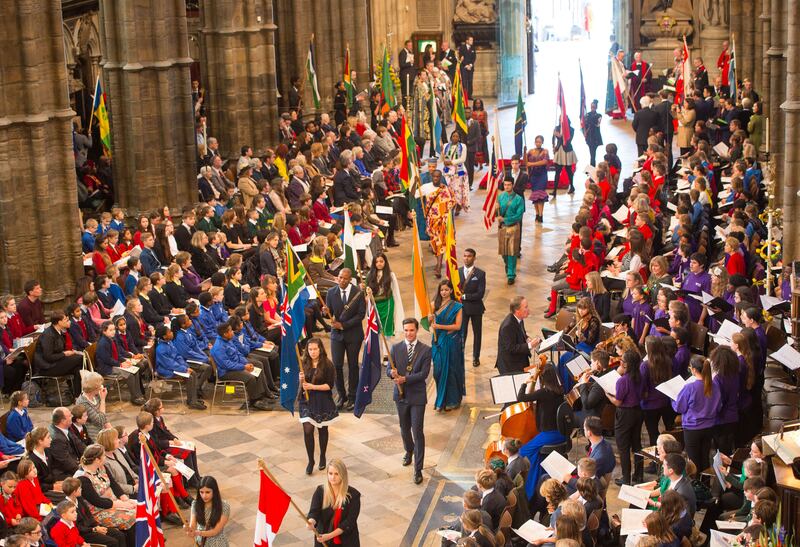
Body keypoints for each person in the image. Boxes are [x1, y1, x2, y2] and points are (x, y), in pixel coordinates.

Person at [388, 318, 432, 485]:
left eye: (411, 330)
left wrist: (404, 379)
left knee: (417, 431)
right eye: (406, 330)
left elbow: (423, 374)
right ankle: (409, 450)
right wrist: (391, 373)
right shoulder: (395, 348)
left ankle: (418, 469)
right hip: (400, 396)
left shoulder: (425, 350)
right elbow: (388, 369)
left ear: (417, 330)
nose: (409, 333)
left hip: (417, 396)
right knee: (404, 429)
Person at [517, 363, 566, 500]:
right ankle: (540, 475)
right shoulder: (560, 390)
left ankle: (530, 488)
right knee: (536, 454)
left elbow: (521, 398)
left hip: (548, 435)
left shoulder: (544, 393)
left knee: (524, 452)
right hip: (561, 433)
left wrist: (525, 383)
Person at [324, 269, 365, 411]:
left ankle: (353, 396)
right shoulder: (331, 292)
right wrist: (325, 311)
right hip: (337, 336)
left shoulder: (358, 293)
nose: (341, 280)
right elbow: (329, 312)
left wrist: (343, 325)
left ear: (350, 279)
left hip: (353, 334)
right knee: (337, 366)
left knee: (353, 365)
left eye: (345, 278)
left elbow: (361, 315)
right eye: (340, 277)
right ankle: (342, 395)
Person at [672, 356, 721, 474]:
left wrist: (673, 400)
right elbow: (719, 406)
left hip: (692, 429)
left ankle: (696, 487)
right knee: (705, 458)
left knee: (693, 461)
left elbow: (680, 408)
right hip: (709, 427)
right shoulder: (714, 386)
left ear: (693, 370)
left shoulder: (690, 387)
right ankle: (705, 483)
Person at [299, 338, 339, 476]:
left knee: (322, 430)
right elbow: (303, 384)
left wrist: (313, 386)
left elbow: (329, 386)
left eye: (315, 349)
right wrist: (301, 380)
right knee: (308, 430)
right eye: (310, 349)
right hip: (307, 401)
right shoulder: (304, 363)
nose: (312, 352)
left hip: (322, 400)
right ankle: (310, 461)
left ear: (320, 349)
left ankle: (322, 455)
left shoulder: (328, 365)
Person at [606, 350, 644, 486]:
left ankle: (626, 479)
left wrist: (608, 395)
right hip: (638, 412)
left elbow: (618, 402)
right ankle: (639, 475)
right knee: (637, 445)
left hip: (624, 414)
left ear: (626, 364)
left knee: (623, 448)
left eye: (622, 360)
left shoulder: (623, 380)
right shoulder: (640, 376)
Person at [306, 459, 361, 546]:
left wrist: (330, 536)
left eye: (336, 474)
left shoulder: (354, 495)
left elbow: (350, 522)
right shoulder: (320, 491)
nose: (333, 477)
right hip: (323, 538)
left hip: (345, 541)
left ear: (342, 475)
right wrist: (311, 522)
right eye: (330, 473)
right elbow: (314, 512)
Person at [429, 280, 465, 412]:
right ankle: (441, 398)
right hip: (437, 341)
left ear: (451, 291)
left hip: (450, 342)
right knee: (438, 371)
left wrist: (439, 326)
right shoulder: (434, 304)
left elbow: (458, 326)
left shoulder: (457, 306)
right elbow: (428, 324)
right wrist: (429, 318)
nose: (443, 292)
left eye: (446, 290)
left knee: (451, 370)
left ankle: (452, 400)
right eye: (441, 290)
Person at [33, 312, 83, 396]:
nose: (68, 321)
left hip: (56, 361)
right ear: (59, 322)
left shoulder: (58, 331)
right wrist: (64, 354)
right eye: (65, 320)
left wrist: (69, 352)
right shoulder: (48, 335)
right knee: (79, 359)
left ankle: (77, 395)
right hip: (47, 367)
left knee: (78, 368)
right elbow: (48, 356)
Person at [424, 171, 456, 278]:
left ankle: (438, 266)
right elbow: (414, 193)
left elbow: (452, 202)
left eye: (438, 176)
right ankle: (438, 261)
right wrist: (414, 182)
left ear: (441, 177)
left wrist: (447, 216)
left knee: (441, 243)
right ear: (431, 176)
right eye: (434, 176)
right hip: (431, 221)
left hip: (442, 221)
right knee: (434, 244)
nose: (436, 178)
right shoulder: (426, 188)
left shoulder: (445, 189)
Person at [495, 296, 537, 375]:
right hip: (510, 366)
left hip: (519, 360)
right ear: (517, 311)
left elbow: (521, 333)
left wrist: (527, 338)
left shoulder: (519, 318)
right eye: (526, 307)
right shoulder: (507, 326)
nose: (528, 310)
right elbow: (511, 348)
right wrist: (529, 345)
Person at [365, 253, 403, 338]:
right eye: (377, 262)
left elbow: (395, 291)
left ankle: (386, 351)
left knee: (386, 330)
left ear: (385, 262)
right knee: (376, 329)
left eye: (381, 261)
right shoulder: (369, 275)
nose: (379, 263)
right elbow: (366, 291)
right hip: (374, 305)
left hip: (387, 305)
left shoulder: (390, 275)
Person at [458, 248, 485, 368]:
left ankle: (476, 357)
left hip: (475, 308)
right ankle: (460, 355)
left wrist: (464, 296)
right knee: (462, 333)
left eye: (469, 256)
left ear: (474, 258)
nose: (466, 258)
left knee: (477, 333)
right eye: (464, 256)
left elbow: (480, 294)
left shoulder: (480, 274)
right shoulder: (457, 272)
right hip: (462, 309)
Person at [495, 178, 525, 285]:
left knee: (511, 251)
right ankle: (507, 265)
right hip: (502, 228)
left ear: (512, 185)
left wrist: (506, 220)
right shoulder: (500, 197)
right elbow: (498, 214)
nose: (506, 186)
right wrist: (496, 209)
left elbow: (519, 215)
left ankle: (511, 275)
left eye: (508, 185)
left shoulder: (519, 199)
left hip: (513, 227)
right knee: (504, 252)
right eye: (505, 185)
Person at [187, 476, 230, 547]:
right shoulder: (195, 504)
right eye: (201, 492)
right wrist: (187, 528)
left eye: (207, 492)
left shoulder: (224, 506)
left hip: (217, 543)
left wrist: (198, 533)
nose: (204, 496)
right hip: (201, 542)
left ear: (214, 491)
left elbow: (215, 531)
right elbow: (193, 525)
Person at [442, 132, 469, 214]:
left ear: (459, 138)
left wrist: (451, 162)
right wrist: (444, 161)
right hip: (448, 170)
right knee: (448, 187)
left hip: (459, 170)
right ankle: (450, 204)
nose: (455, 138)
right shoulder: (446, 145)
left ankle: (458, 206)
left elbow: (463, 159)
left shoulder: (463, 146)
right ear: (451, 137)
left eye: (457, 136)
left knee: (458, 189)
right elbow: (443, 157)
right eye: (453, 136)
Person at [526, 135, 550, 223]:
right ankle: (536, 213)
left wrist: (531, 164)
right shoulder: (530, 151)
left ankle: (541, 215)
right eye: (536, 142)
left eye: (539, 142)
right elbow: (526, 162)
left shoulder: (545, 151)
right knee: (535, 196)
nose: (538, 143)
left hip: (542, 175)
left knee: (540, 195)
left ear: (542, 142)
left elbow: (545, 161)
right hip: (533, 175)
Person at [552, 121, 577, 196]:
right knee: (557, 172)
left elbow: (568, 140)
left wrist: (560, 136)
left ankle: (572, 187)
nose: (561, 121)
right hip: (559, 151)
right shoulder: (557, 128)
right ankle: (554, 191)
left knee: (569, 171)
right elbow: (553, 138)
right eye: (560, 119)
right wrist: (553, 146)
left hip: (567, 151)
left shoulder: (571, 129)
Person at [584, 100, 603, 165]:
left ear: (596, 107)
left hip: (595, 137)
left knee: (593, 154)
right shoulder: (587, 114)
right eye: (591, 107)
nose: (592, 108)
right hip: (589, 136)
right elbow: (585, 124)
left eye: (594, 107)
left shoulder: (599, 115)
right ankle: (592, 166)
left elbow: (597, 124)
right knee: (592, 154)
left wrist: (589, 120)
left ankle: (592, 166)